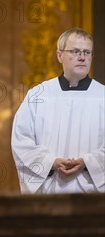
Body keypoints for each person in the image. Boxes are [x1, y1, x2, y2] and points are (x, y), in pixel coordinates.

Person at [11, 28, 104, 194]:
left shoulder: (102, 96)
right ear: (59, 55)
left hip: (93, 195)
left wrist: (88, 162)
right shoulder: (38, 95)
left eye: (87, 52)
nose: (82, 57)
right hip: (49, 192)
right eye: (75, 51)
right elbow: (21, 141)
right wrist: (50, 162)